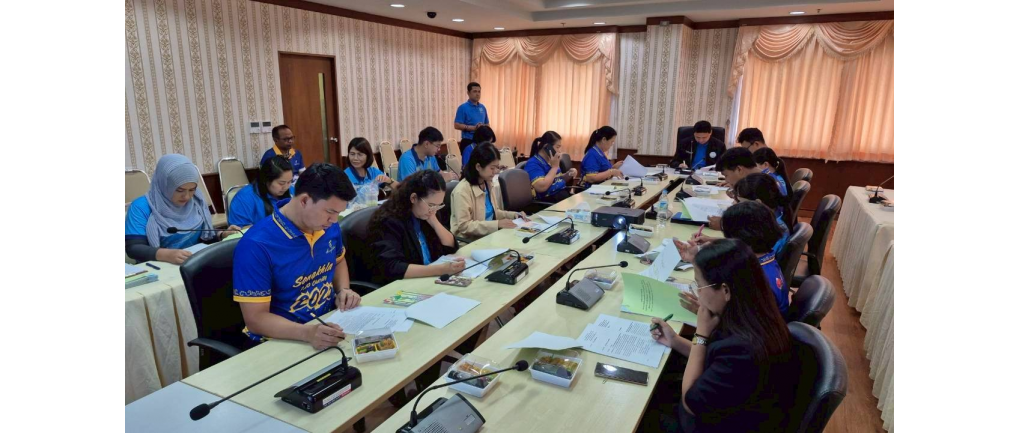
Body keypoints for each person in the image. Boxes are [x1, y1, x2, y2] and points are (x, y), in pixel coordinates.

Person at [648, 238, 796, 432]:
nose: (698, 294)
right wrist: (675, 341)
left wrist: (701, 334)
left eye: (699, 285)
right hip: (730, 408)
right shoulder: (753, 314)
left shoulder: (742, 349)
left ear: (725, 290)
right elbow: (714, 358)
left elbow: (690, 402)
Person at [232, 163, 362, 348]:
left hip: (327, 324)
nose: (334, 220)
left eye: (338, 213)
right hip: (280, 340)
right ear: (304, 201)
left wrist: (343, 290)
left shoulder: (328, 227)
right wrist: (307, 333)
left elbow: (338, 261)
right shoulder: (256, 245)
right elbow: (256, 319)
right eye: (330, 212)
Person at [675, 200, 790, 316]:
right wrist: (697, 258)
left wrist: (704, 312)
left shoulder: (752, 281)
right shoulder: (763, 259)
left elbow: (741, 324)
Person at [126, 154, 241, 264]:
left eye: (192, 190)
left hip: (192, 263)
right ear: (164, 184)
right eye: (179, 190)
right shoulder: (141, 207)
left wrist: (221, 234)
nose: (187, 197)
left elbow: (204, 236)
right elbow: (134, 248)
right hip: (157, 267)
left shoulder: (196, 201)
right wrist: (166, 255)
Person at [368, 170, 462, 286]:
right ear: (413, 198)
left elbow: (451, 246)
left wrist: (434, 221)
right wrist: (440, 270)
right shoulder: (389, 220)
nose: (434, 210)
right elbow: (392, 267)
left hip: (428, 279)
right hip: (404, 284)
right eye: (431, 205)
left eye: (438, 205)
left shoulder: (426, 214)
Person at [451, 142, 528, 241]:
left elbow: (494, 213)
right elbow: (464, 226)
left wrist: (514, 215)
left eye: (497, 167)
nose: (495, 171)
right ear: (478, 167)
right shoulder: (462, 191)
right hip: (469, 241)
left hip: (488, 236)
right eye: (492, 168)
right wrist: (497, 224)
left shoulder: (487, 183)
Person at [733, 173, 793, 255]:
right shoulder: (770, 217)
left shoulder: (769, 231)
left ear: (757, 203)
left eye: (739, 201)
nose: (735, 204)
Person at [227, 155, 293, 228]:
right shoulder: (244, 198)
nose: (286, 187)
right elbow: (239, 231)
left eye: (289, 182)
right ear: (266, 180)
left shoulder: (292, 191)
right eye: (281, 183)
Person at [524, 131, 577, 202]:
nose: (559, 151)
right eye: (557, 147)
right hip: (547, 202)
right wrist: (554, 167)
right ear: (547, 147)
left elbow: (556, 179)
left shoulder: (551, 160)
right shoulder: (533, 163)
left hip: (561, 196)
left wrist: (568, 174)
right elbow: (541, 187)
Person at [454, 82, 490, 153]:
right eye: (475, 91)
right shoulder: (463, 107)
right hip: (468, 141)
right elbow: (456, 125)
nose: (477, 94)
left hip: (482, 141)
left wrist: (482, 127)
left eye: (479, 91)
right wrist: (473, 128)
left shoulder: (482, 107)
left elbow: (487, 124)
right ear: (468, 93)